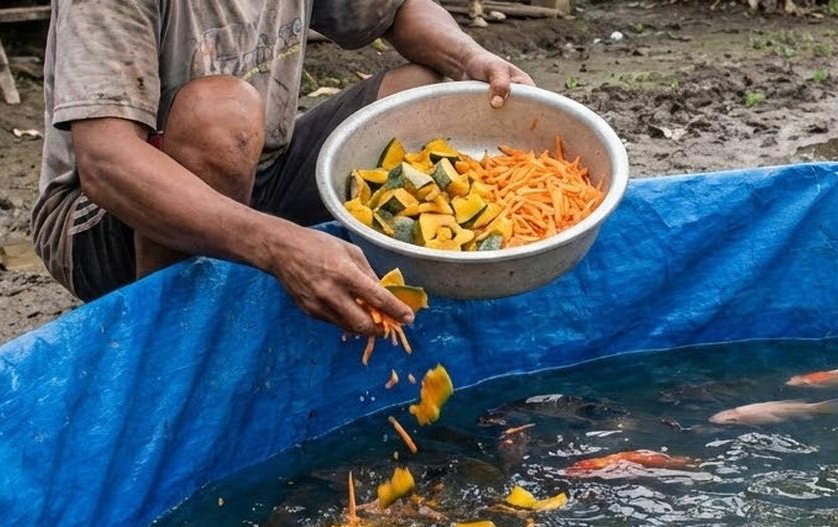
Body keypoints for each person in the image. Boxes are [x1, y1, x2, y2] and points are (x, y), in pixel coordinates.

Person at [31, 0, 532, 334]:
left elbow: (399, 9)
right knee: (221, 111)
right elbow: (106, 162)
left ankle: (394, 302)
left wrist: (474, 62)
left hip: (256, 172)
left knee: (422, 93)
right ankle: (171, 340)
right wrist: (278, 246)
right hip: (107, 219)